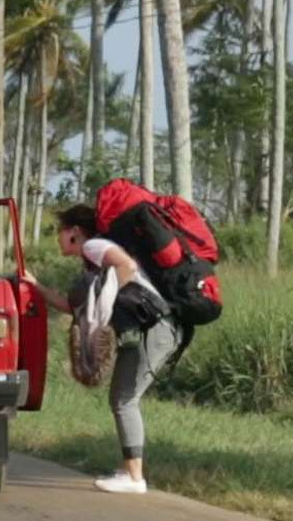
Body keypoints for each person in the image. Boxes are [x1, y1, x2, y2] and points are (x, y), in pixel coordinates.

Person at [23, 204, 179, 496]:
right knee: (120, 398)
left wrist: (103, 302)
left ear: (75, 232)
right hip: (149, 330)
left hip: (156, 329)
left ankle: (135, 478)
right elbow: (71, 306)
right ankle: (129, 469)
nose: (57, 238)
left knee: (123, 400)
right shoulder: (91, 262)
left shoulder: (94, 246)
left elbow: (127, 267)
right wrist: (36, 286)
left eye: (60, 232)